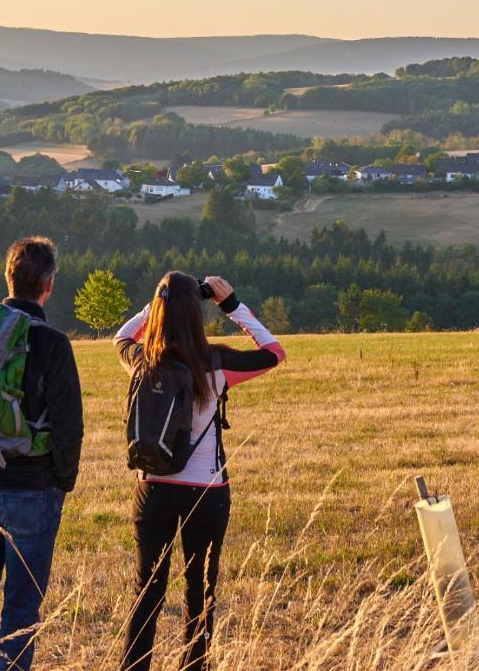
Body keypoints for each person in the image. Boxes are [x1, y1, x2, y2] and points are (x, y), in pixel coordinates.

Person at [115, 272, 284, 671]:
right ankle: (195, 665)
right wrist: (231, 305)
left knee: (147, 591)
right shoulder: (217, 361)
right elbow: (274, 352)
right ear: (197, 314)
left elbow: (122, 337)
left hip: (152, 489)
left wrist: (157, 302)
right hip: (206, 491)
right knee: (200, 591)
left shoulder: (143, 360)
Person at [0, 237, 85, 671]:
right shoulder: (53, 343)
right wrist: (62, 482)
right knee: (20, 618)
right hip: (33, 490)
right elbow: (69, 427)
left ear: (9, 277)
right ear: (48, 284)